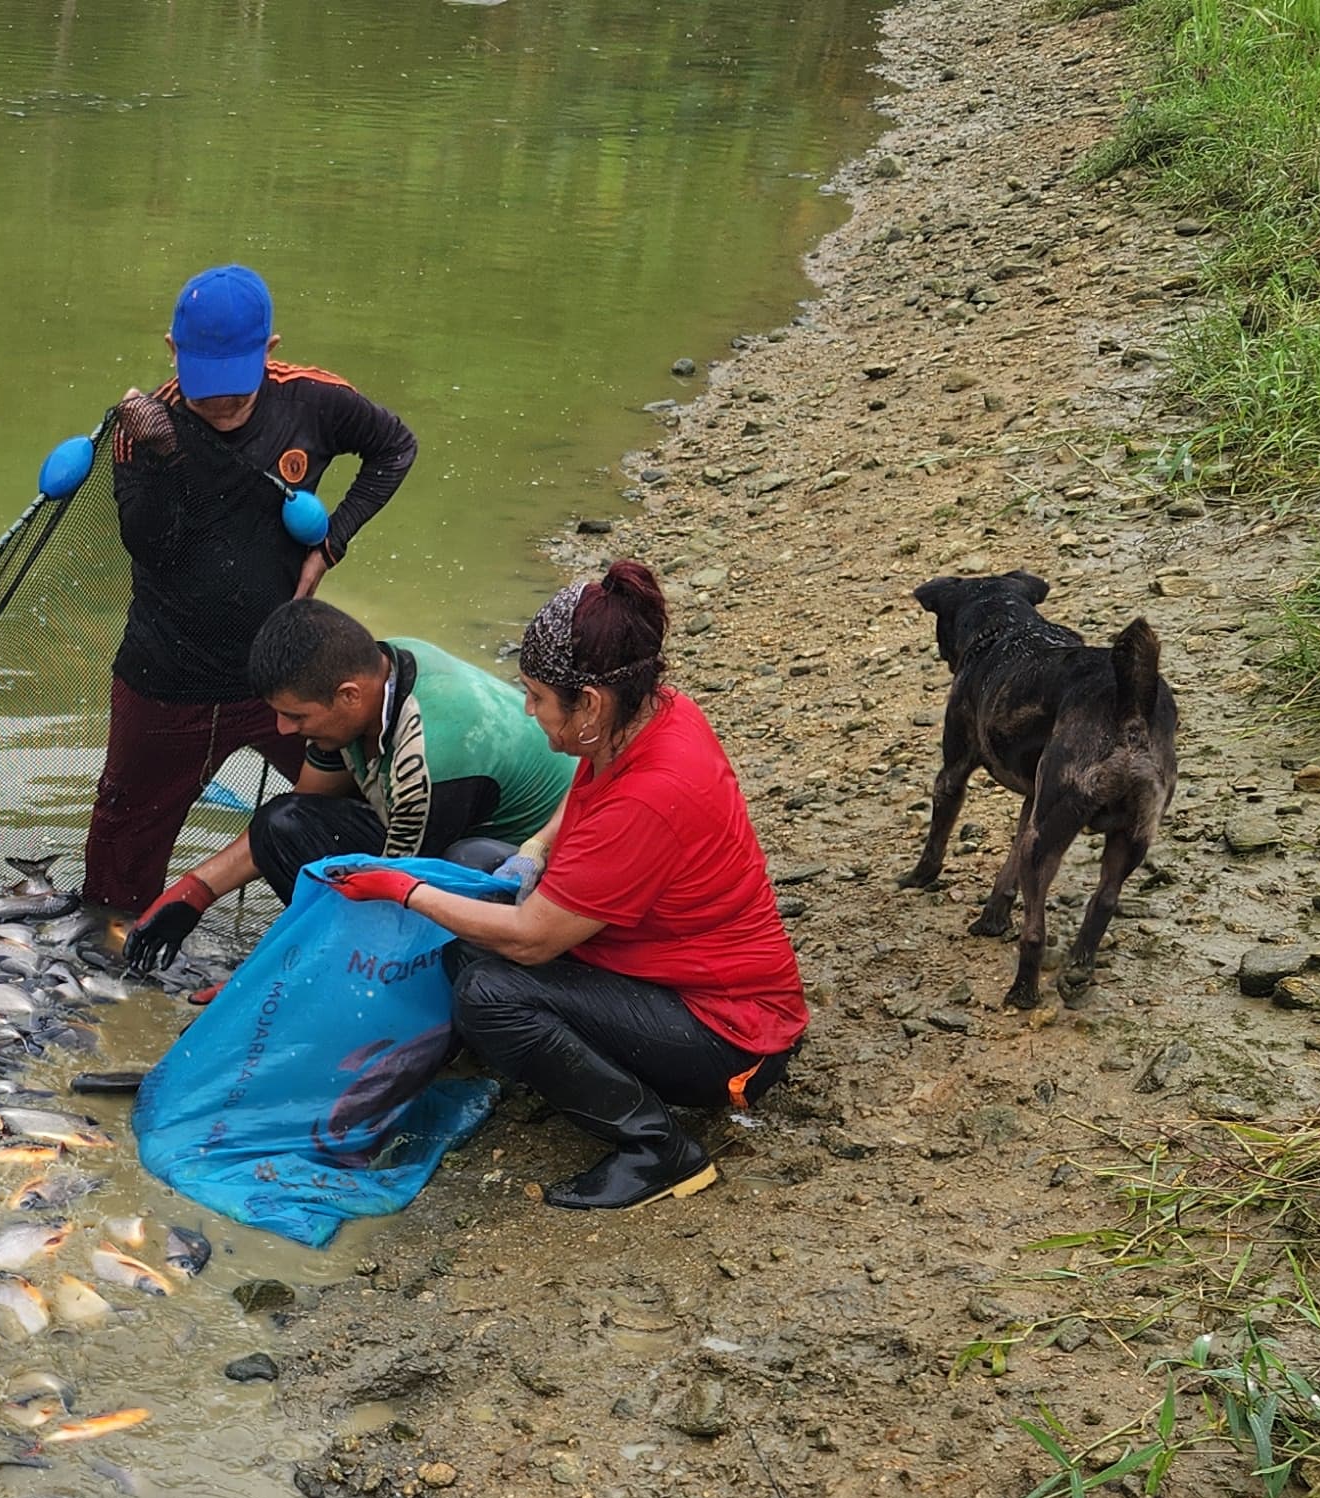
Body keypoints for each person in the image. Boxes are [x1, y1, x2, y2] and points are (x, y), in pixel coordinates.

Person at [325, 561, 809, 1211]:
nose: (527, 709)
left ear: (591, 702)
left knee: (489, 992)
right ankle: (539, 1058)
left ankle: (659, 1149)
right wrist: (535, 848)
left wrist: (402, 889)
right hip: (660, 971)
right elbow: (587, 789)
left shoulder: (651, 795)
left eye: (536, 697)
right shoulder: (653, 713)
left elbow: (531, 941)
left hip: (729, 1034)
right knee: (474, 862)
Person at [79, 264, 422, 937]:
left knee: (358, 813)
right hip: (165, 674)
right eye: (207, 390)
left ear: (269, 351)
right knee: (121, 850)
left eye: (237, 390)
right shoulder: (144, 425)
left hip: (285, 677)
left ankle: (345, 937)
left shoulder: (314, 401)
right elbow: (151, 546)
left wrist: (331, 544)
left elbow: (395, 447)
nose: (222, 406)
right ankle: (106, 965)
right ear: (174, 352)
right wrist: (166, 455)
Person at [123, 596, 580, 971]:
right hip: (445, 825)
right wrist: (195, 892)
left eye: (295, 716)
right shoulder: (375, 672)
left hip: (531, 882)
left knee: (388, 914)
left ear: (348, 696)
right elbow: (295, 815)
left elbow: (388, 905)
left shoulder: (427, 760)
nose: (282, 729)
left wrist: (268, 980)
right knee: (282, 823)